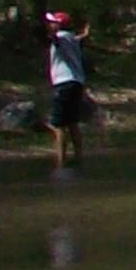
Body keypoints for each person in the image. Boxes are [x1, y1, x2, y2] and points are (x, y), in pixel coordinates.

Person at [44, 11, 93, 173]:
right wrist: (85, 32)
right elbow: (80, 38)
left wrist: (52, 32)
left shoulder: (60, 38)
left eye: (53, 22)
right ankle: (79, 159)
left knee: (58, 125)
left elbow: (54, 38)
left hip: (63, 83)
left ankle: (60, 164)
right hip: (77, 83)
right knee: (72, 123)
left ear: (59, 25)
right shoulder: (72, 38)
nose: (50, 25)